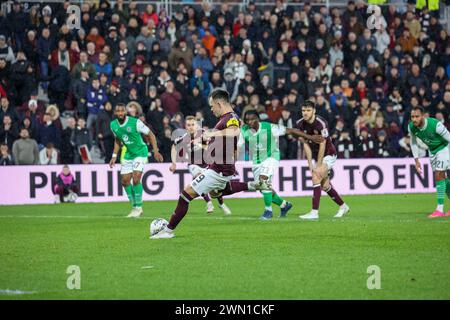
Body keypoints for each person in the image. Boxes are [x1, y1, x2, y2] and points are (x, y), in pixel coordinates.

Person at [151, 89, 271, 239]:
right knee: (217, 192)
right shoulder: (226, 118)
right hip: (220, 166)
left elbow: (233, 131)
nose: (211, 109)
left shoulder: (230, 118)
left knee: (185, 195)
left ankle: (167, 231)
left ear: (219, 103)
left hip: (218, 169)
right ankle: (254, 185)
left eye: (212, 106)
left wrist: (211, 134)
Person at [238, 110, 324, 219]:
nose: (250, 122)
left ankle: (268, 211)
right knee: (262, 187)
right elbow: (238, 147)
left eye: (253, 119)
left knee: (264, 181)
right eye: (247, 120)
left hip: (271, 157)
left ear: (258, 119)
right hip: (256, 162)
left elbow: (291, 130)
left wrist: (310, 137)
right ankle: (284, 205)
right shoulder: (243, 131)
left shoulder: (269, 127)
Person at [295, 100, 350, 220]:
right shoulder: (299, 124)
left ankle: (314, 212)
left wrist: (318, 165)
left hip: (329, 153)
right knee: (325, 185)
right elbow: (305, 145)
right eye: (303, 110)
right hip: (316, 155)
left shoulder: (321, 123)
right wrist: (310, 164)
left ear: (314, 111)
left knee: (316, 176)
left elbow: (323, 144)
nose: (305, 113)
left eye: (308, 110)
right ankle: (343, 206)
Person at [109, 103, 163, 218]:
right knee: (124, 181)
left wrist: (156, 151)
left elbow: (151, 134)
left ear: (125, 111)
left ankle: (138, 207)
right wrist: (114, 156)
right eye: (118, 111)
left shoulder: (135, 122)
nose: (120, 113)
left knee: (136, 177)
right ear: (115, 113)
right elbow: (118, 139)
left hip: (140, 152)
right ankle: (134, 207)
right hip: (129, 154)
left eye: (122, 111)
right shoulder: (113, 125)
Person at [170, 115, 232, 215]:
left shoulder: (203, 134)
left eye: (192, 124)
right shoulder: (183, 138)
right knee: (198, 177)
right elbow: (174, 147)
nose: (190, 127)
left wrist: (199, 143)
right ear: (185, 126)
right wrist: (173, 163)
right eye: (188, 125)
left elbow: (211, 147)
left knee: (215, 188)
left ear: (196, 125)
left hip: (208, 164)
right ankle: (209, 202)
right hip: (193, 164)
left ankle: (221, 203)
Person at [408, 106, 450, 218]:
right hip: (432, 151)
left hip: (444, 147)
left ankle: (439, 209)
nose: (414, 119)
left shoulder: (435, 125)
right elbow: (413, 143)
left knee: (439, 175)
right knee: (443, 178)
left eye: (417, 116)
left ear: (423, 116)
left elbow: (449, 138)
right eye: (412, 117)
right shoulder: (411, 127)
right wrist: (416, 160)